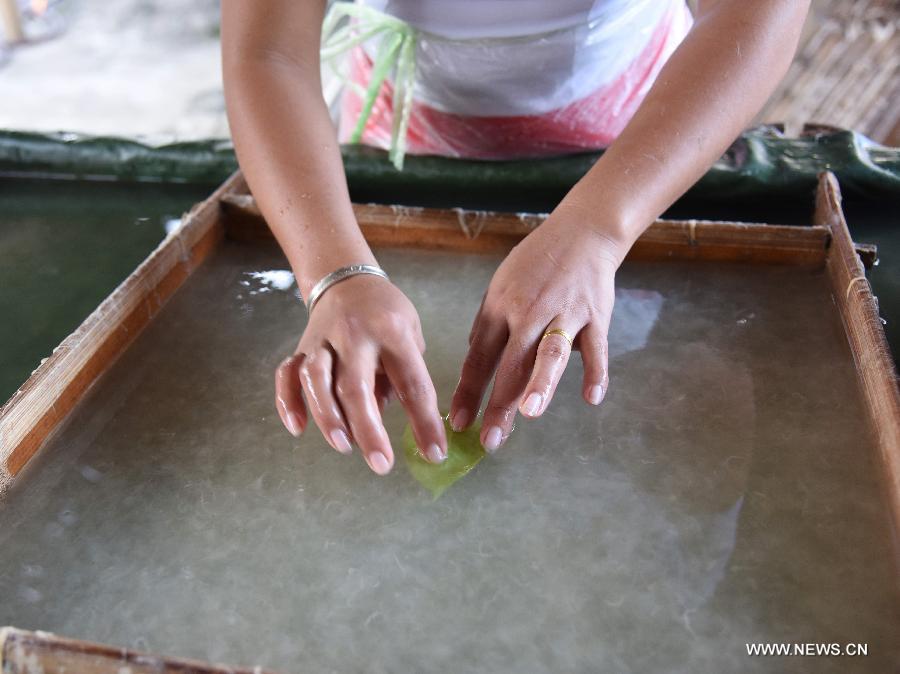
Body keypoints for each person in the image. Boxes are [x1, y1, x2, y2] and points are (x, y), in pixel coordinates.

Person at [221, 0, 810, 476]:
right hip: (400, 130)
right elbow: (268, 51)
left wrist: (600, 227)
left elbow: (756, 10)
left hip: (640, 136)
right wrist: (335, 272)